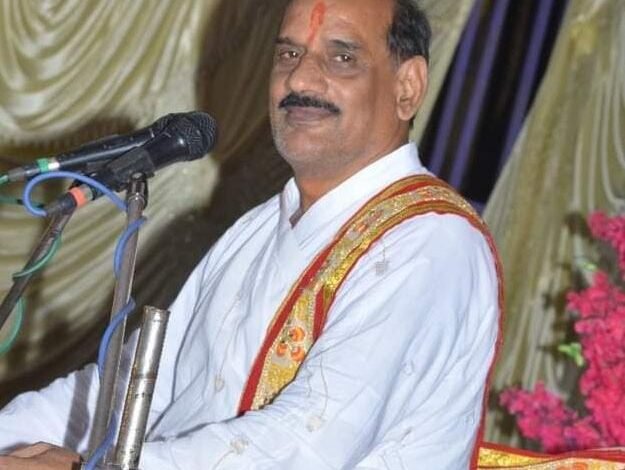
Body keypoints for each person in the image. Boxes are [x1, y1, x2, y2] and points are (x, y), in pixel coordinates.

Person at [0, 0, 501, 468]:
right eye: (288, 54)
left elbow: (305, 445)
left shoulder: (431, 243)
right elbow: (125, 389)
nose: (300, 78)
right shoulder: (257, 228)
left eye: (342, 57)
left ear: (407, 87)